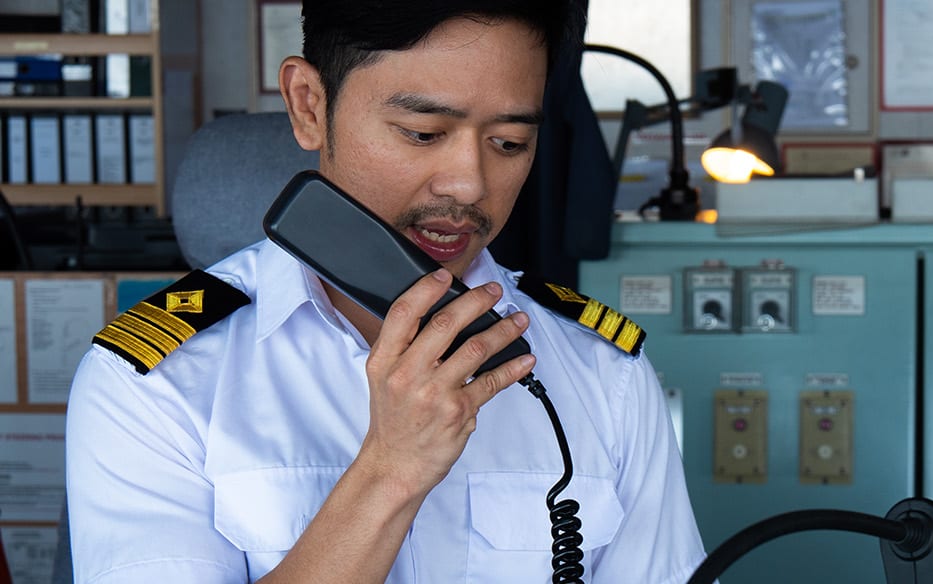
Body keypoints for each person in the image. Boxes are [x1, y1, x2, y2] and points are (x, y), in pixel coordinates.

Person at [64, 1, 707, 582]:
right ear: (309, 105)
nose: (469, 184)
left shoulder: (599, 368)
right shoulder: (158, 381)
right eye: (423, 133)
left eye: (509, 142)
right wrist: (390, 471)